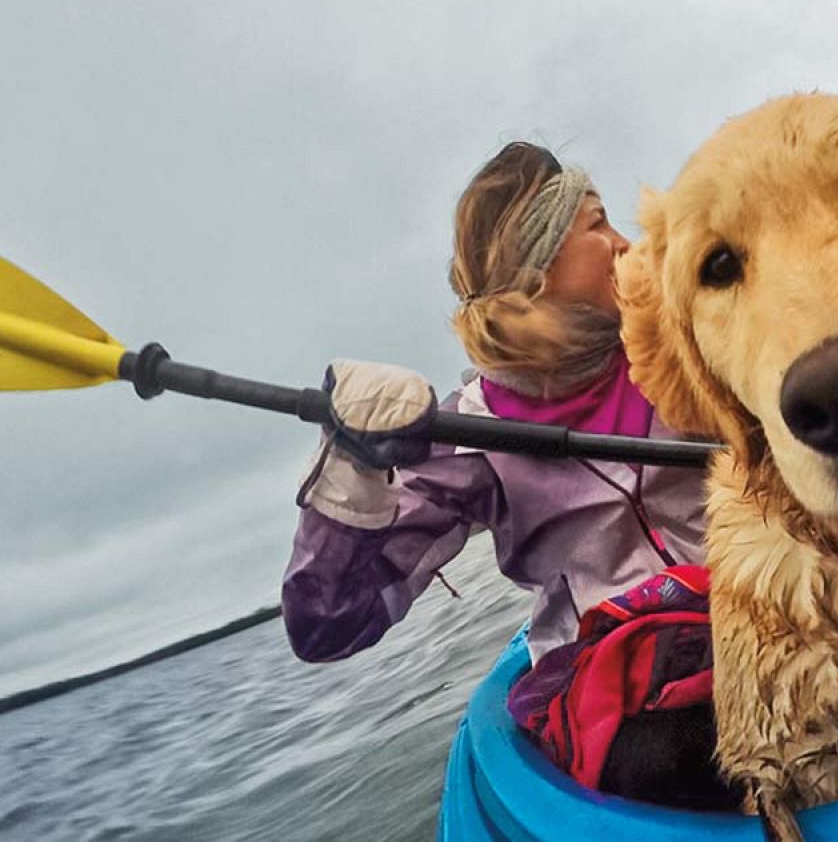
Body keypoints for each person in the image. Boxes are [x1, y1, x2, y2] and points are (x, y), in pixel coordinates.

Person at [283, 142, 731, 807]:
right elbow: (327, 624)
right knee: (674, 757)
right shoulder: (468, 434)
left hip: (759, 598)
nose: (624, 244)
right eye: (598, 224)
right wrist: (353, 463)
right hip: (626, 680)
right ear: (539, 270)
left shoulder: (681, 337)